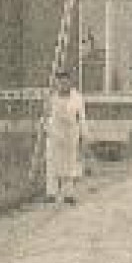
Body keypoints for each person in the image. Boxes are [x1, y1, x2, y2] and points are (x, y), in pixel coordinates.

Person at [43, 70, 86, 204]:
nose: (62, 84)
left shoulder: (77, 98)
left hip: (70, 134)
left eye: (65, 81)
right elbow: (46, 116)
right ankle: (51, 193)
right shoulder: (51, 98)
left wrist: (83, 135)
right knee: (52, 164)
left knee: (70, 164)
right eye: (60, 81)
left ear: (70, 82)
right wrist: (47, 129)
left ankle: (69, 194)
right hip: (55, 134)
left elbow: (81, 117)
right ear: (56, 83)